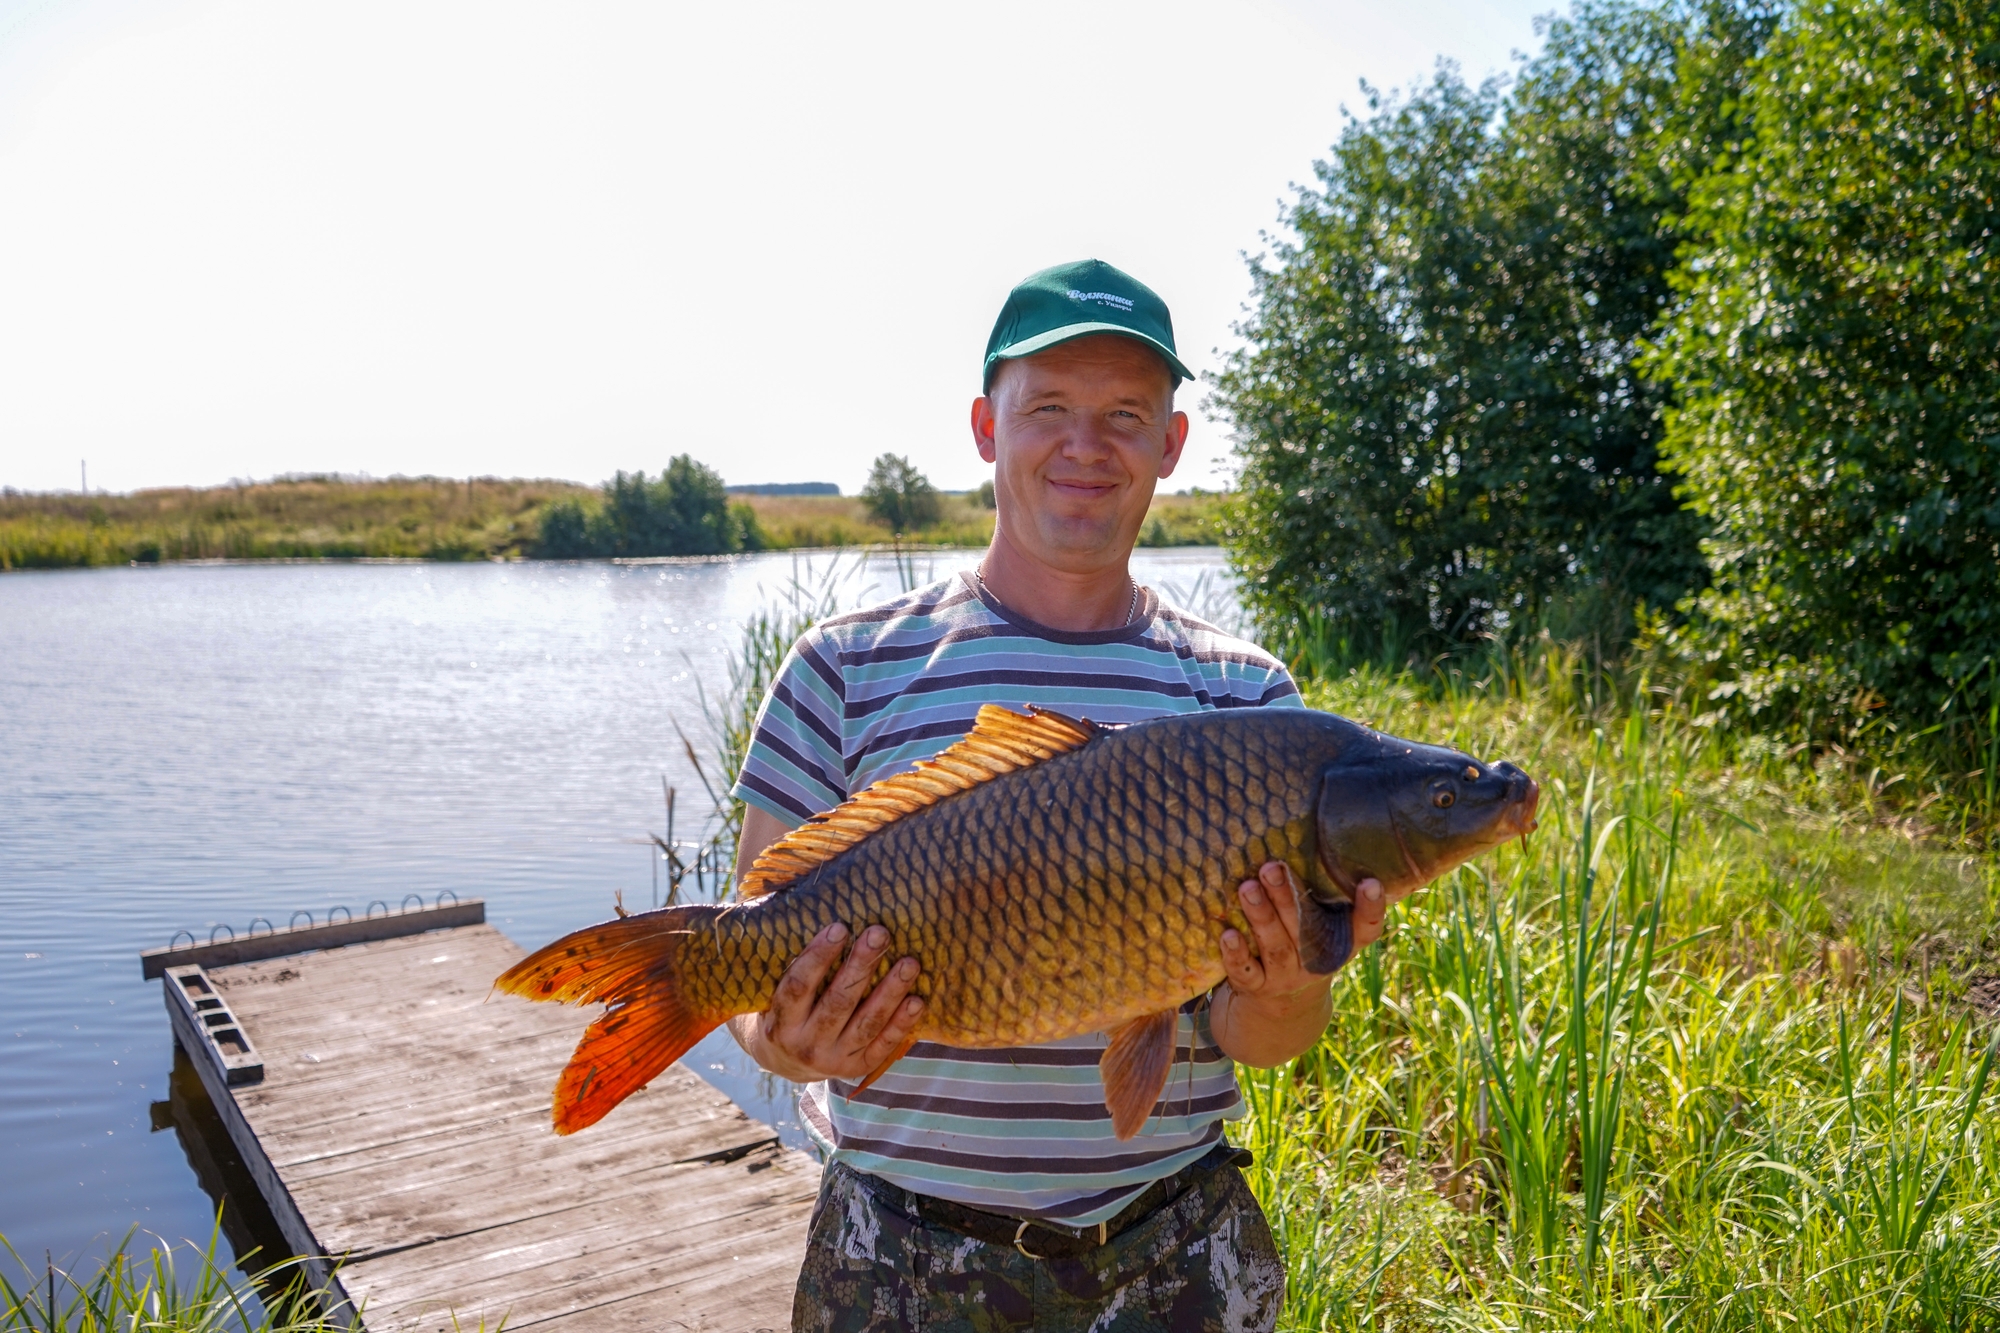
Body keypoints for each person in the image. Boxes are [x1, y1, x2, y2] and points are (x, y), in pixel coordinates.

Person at [727, 259, 1390, 1333]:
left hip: (1172, 1243)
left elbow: (1262, 1035)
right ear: (987, 426)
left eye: (1125, 414)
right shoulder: (841, 669)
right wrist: (793, 1040)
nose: (1086, 446)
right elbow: (754, 983)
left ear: (1169, 445)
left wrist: (1281, 987)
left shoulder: (1244, 699)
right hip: (899, 1249)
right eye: (1050, 409)